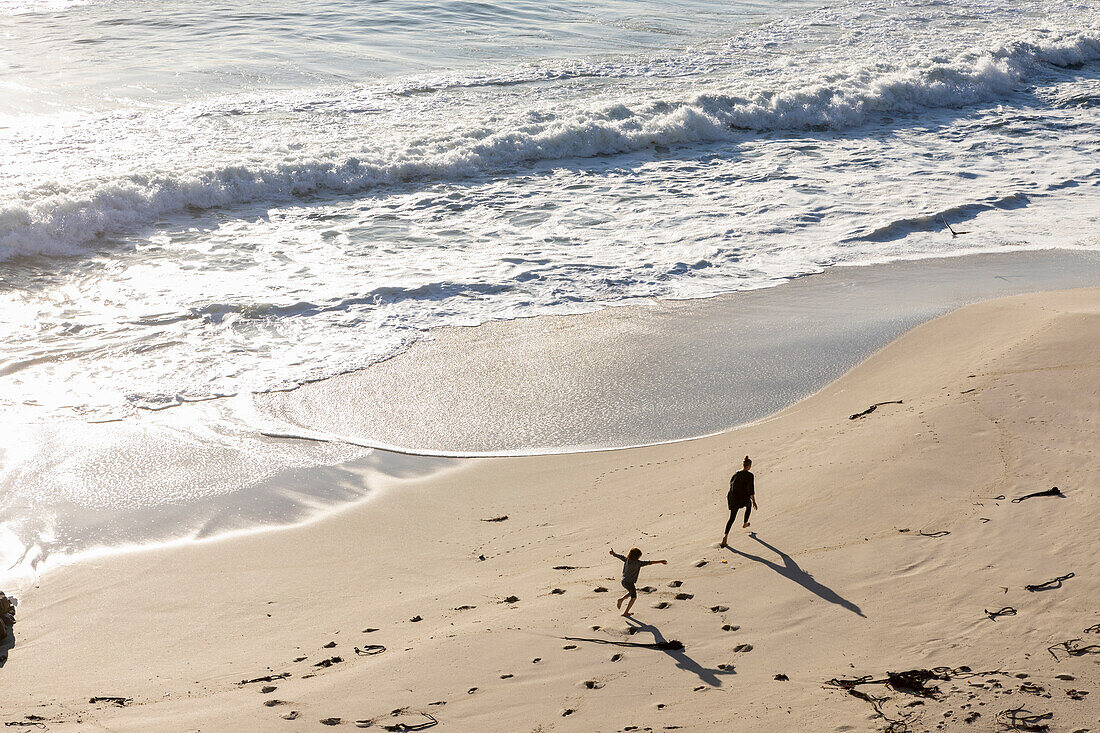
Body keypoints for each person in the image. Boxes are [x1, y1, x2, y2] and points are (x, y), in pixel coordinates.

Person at [609, 547, 667, 617]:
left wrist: (613, 553)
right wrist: (661, 561)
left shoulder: (626, 559)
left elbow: (619, 556)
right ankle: (625, 612)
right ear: (637, 556)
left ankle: (621, 600)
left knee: (632, 592)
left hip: (623, 581)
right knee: (634, 597)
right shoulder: (638, 563)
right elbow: (650, 562)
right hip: (629, 583)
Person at [720, 455, 757, 548]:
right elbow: (751, 490)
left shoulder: (736, 474)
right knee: (749, 505)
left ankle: (725, 536)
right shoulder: (750, 475)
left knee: (732, 518)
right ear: (749, 466)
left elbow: (731, 485)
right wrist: (754, 501)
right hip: (742, 498)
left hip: (733, 498)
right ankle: (745, 523)